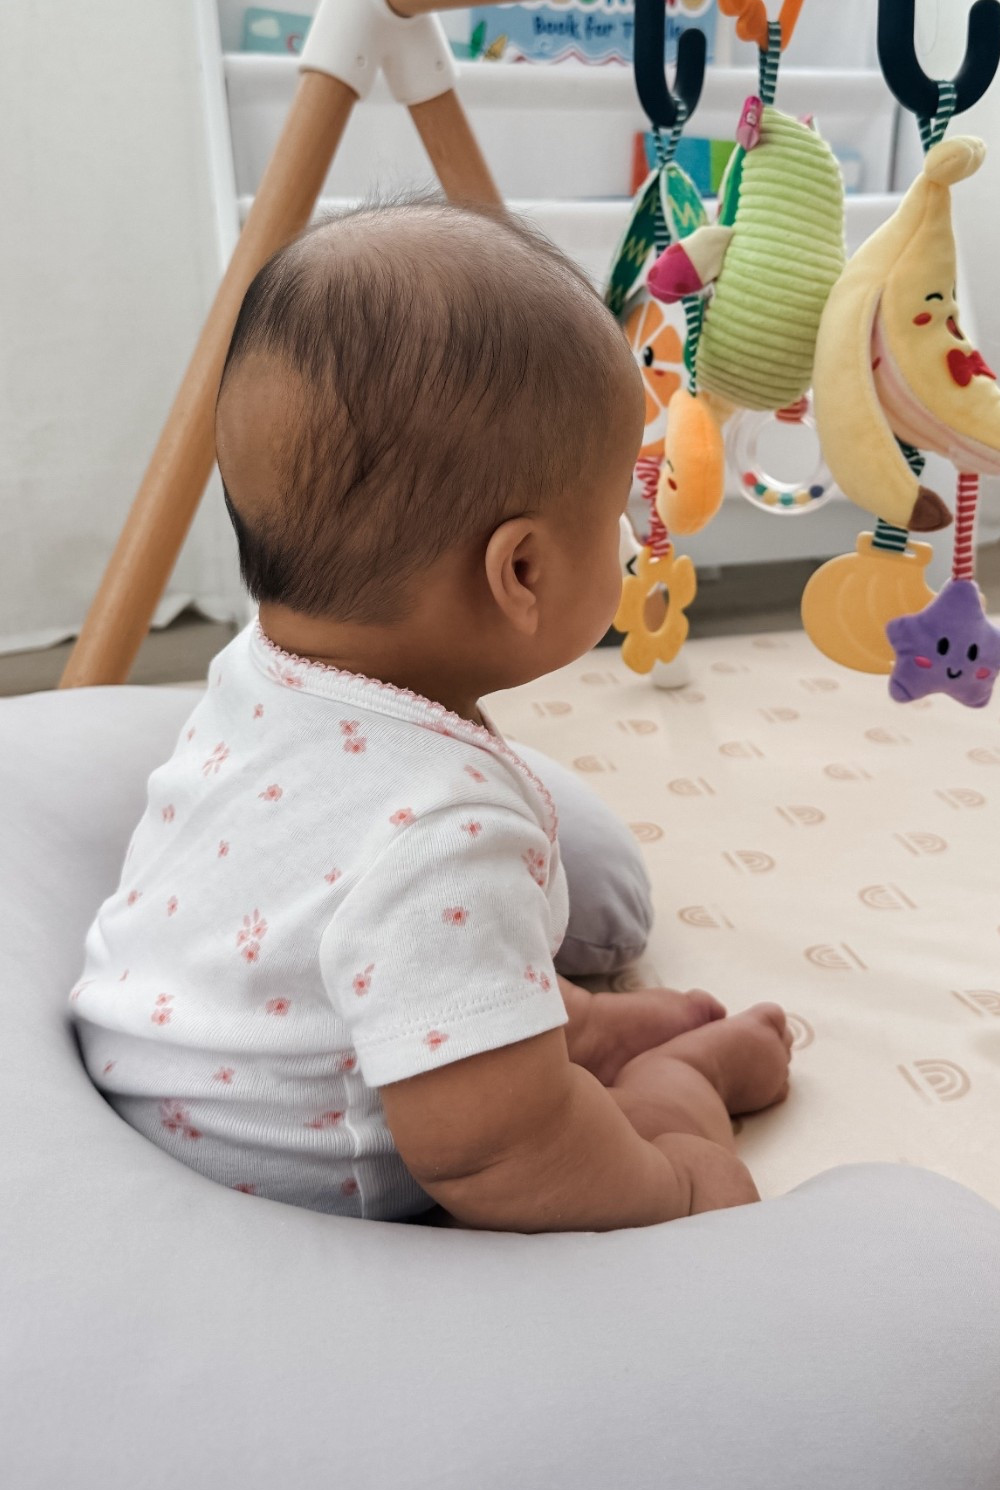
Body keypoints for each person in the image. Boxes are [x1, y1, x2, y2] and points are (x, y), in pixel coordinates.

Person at [71, 201, 790, 1225]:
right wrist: (677, 1174)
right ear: (525, 569)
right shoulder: (444, 832)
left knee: (480, 986)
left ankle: (575, 1024)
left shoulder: (262, 666)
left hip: (178, 1066)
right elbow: (500, 1152)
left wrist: (574, 1019)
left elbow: (380, 940)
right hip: (308, 1174)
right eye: (615, 512)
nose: (633, 536)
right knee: (649, 1109)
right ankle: (689, 1081)